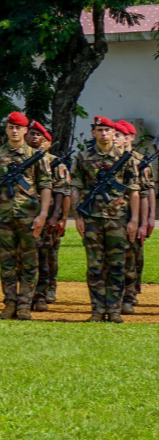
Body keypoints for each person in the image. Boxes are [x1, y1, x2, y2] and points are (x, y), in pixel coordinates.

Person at [0, 112, 52, 320]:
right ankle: (10, 303)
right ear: (6, 129)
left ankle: (24, 305)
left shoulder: (36, 156)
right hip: (3, 217)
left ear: (24, 131)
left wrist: (43, 214)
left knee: (30, 263)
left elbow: (46, 185)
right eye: (10, 127)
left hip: (29, 217)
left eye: (18, 128)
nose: (14, 131)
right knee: (7, 263)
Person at [70, 116, 140, 323]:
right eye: (99, 130)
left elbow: (134, 191)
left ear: (113, 133)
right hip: (92, 219)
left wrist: (134, 220)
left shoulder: (126, 158)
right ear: (94, 133)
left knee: (117, 264)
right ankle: (98, 310)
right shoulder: (83, 158)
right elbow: (76, 187)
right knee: (95, 266)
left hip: (118, 220)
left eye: (107, 130)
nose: (103, 134)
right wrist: (78, 217)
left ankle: (115, 309)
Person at [26, 121, 70, 312]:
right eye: (31, 134)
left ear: (46, 141)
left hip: (49, 216)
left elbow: (62, 191)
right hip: (25, 215)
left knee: (47, 255)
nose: (35, 137)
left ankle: (47, 289)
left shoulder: (55, 163)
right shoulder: (21, 158)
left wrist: (59, 217)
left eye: (39, 135)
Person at [115, 120, 154, 315]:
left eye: (119, 134)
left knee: (133, 257)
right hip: (112, 218)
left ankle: (130, 293)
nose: (114, 138)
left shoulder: (139, 162)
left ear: (129, 138)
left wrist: (146, 219)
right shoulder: (107, 159)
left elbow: (146, 192)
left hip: (133, 216)